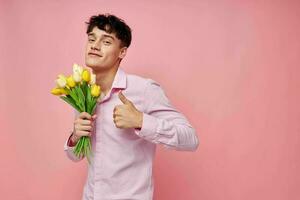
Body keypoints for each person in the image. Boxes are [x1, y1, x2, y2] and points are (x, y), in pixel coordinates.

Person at [64, 13, 199, 200]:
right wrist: (75, 137)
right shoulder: (83, 93)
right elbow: (75, 156)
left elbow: (191, 139)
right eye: (91, 39)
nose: (94, 45)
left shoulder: (144, 90)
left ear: (122, 52)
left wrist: (141, 121)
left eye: (106, 41)